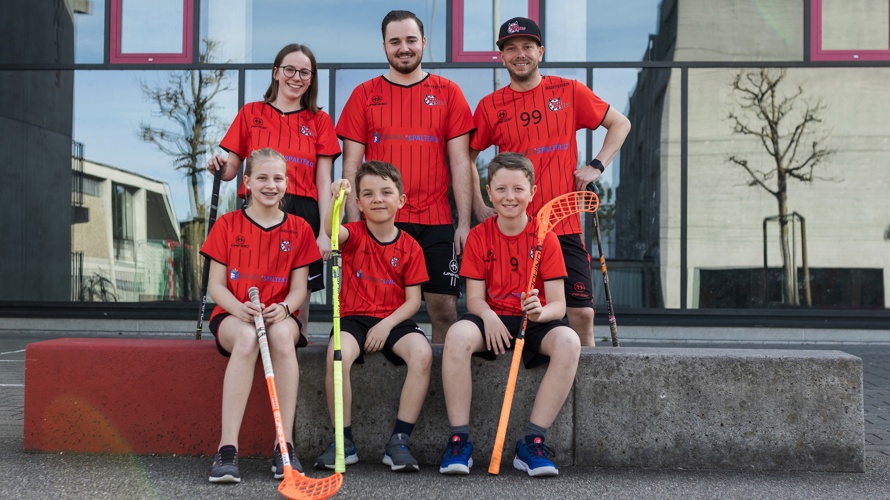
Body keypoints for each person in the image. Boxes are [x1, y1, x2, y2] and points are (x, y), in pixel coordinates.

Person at [469, 17, 631, 347]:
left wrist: (596, 166)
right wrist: (478, 205)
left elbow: (621, 124)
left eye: (527, 46)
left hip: (564, 224)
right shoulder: (489, 106)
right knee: (519, 312)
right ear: (502, 56)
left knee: (582, 314)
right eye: (511, 48)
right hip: (515, 229)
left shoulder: (569, 90)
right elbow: (466, 157)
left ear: (540, 51)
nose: (520, 54)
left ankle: (581, 395)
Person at [336, 9, 475, 344]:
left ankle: (441, 391)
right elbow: (351, 167)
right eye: (395, 41)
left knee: (444, 310)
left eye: (411, 40)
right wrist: (355, 225)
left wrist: (464, 223)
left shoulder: (449, 93)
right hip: (379, 222)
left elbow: (460, 164)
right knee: (371, 311)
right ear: (384, 46)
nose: (404, 47)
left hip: (435, 221)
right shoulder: (363, 95)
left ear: (423, 43)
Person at [438, 152, 580, 477]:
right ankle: (460, 440)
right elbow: (474, 299)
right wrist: (488, 316)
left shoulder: (548, 239)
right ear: (489, 192)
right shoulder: (478, 235)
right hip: (492, 317)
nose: (510, 197)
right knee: (457, 335)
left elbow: (559, 305)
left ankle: (532, 443)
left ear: (532, 191)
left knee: (569, 342)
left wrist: (541, 311)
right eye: (501, 189)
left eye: (518, 189)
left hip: (535, 320)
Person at [201, 148, 322, 483]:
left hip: (278, 314)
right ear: (247, 182)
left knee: (283, 336)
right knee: (247, 336)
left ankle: (284, 445)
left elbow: (300, 290)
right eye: (263, 178)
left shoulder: (299, 229)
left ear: (287, 183)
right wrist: (239, 309)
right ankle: (227, 449)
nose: (271, 185)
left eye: (278, 178)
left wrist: (283, 308)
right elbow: (216, 286)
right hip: (235, 313)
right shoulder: (227, 225)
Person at [208, 43, 341, 333]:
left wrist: (323, 232)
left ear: (312, 77)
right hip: (256, 210)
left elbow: (323, 179)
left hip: (304, 212)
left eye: (305, 72)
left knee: (298, 300)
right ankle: (249, 348)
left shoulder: (320, 120)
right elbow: (233, 169)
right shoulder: (251, 112)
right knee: (252, 281)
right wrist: (219, 165)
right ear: (276, 73)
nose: (297, 77)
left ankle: (295, 350)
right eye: (290, 69)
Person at [315, 161, 431, 473]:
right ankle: (344, 440)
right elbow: (330, 230)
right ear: (359, 203)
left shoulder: (411, 247)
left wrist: (386, 324)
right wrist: (335, 198)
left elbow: (413, 302)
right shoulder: (351, 234)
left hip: (395, 319)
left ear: (401, 200)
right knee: (337, 356)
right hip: (353, 318)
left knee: (422, 353)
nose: (377, 199)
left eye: (385, 192)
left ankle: (399, 441)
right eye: (368, 193)